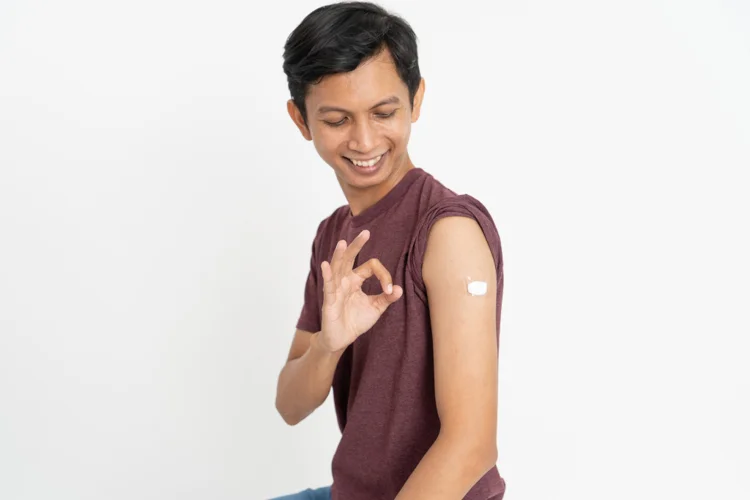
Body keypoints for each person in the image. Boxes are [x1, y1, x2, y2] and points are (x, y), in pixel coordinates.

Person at [273, 2, 506, 499]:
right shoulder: (333, 237)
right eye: (336, 119)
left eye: (384, 113)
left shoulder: (449, 232)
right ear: (300, 119)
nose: (364, 140)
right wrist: (328, 344)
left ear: (416, 99)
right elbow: (289, 405)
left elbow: (472, 446)